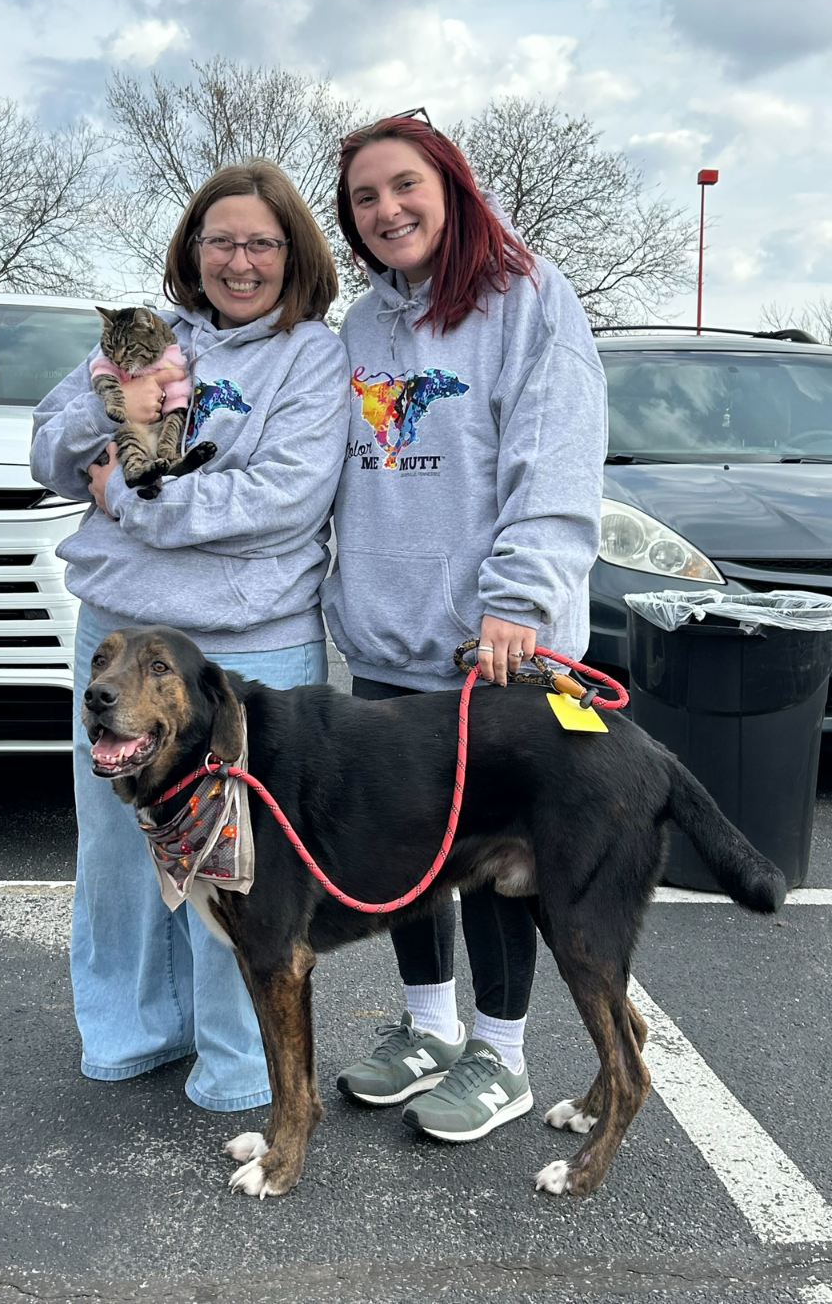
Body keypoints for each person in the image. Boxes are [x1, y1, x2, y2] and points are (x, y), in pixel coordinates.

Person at [31, 160, 349, 1112]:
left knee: (242, 867)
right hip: (124, 639)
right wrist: (101, 407)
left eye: (260, 242)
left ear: (291, 253)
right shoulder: (148, 340)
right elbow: (49, 449)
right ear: (191, 250)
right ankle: (133, 1038)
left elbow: (280, 503)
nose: (239, 262)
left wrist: (124, 496)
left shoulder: (311, 358)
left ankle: (240, 1069)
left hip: (247, 649)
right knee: (122, 857)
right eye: (221, 241)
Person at [321, 114, 607, 1141]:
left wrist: (519, 602)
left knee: (493, 856)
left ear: (450, 185)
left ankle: (503, 1055)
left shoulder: (526, 297)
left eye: (405, 186)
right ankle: (428, 1028)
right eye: (365, 197)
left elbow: (556, 457)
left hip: (495, 646)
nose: (388, 209)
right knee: (404, 845)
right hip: (390, 640)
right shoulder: (358, 329)